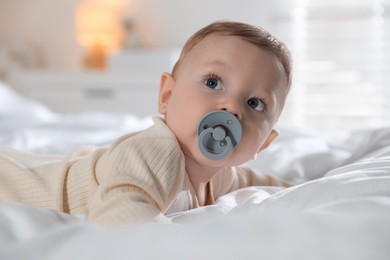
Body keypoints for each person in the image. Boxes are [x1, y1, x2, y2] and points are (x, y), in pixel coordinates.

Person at [0, 20, 292, 226]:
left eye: (254, 103)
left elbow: (258, 182)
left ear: (264, 143)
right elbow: (121, 215)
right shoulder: (156, 152)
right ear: (167, 94)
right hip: (22, 186)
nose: (232, 107)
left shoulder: (222, 173)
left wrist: (298, 187)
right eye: (213, 82)